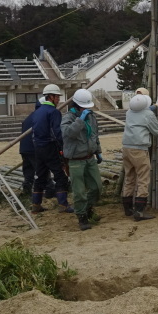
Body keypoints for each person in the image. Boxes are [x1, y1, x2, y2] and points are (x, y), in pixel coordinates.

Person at [121, 94, 158, 221]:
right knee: (143, 179)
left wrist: (155, 106)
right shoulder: (148, 115)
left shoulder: (129, 112)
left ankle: (128, 209)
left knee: (129, 178)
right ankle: (139, 212)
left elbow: (143, 112)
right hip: (139, 150)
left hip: (126, 148)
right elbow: (157, 130)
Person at [61, 88, 103, 231]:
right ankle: (82, 217)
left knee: (97, 187)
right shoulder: (68, 117)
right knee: (79, 191)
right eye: (84, 107)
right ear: (77, 105)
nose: (86, 109)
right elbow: (68, 134)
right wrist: (80, 120)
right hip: (76, 160)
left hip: (89, 157)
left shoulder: (91, 116)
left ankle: (88, 208)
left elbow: (94, 134)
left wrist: (98, 151)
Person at [31, 84, 73, 213]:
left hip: (38, 148)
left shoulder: (37, 112)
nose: (58, 99)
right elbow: (57, 133)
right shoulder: (54, 112)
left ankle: (36, 205)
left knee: (40, 176)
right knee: (60, 176)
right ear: (51, 97)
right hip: (50, 147)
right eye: (57, 97)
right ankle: (63, 205)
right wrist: (63, 147)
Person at [18, 97, 42, 196]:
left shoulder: (29, 117)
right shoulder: (40, 117)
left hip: (24, 148)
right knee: (41, 170)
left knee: (28, 170)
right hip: (33, 148)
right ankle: (50, 190)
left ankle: (27, 189)